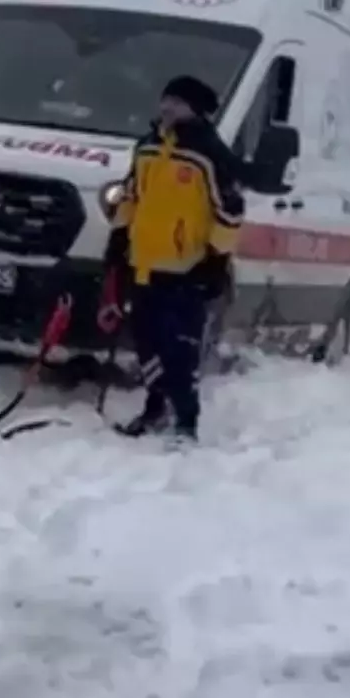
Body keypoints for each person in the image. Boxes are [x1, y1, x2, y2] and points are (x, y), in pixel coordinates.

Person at [104, 73, 246, 442]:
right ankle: (155, 407)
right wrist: (119, 238)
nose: (166, 107)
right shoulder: (147, 148)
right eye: (165, 99)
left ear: (195, 110)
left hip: (187, 270)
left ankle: (186, 420)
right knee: (146, 342)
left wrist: (215, 260)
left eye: (177, 102)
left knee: (180, 350)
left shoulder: (209, 155)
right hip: (144, 264)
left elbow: (229, 210)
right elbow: (131, 196)